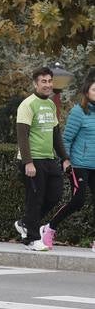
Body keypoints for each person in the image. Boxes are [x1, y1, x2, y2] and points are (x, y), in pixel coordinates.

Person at [14, 66, 70, 252]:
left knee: (54, 196)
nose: (47, 85)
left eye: (49, 81)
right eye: (43, 81)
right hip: (33, 160)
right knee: (35, 199)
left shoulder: (51, 104)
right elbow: (22, 135)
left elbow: (55, 135)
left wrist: (65, 158)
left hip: (49, 158)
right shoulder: (28, 104)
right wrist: (27, 162)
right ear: (35, 83)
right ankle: (31, 239)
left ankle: (25, 223)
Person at [46, 76, 95, 249]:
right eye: (94, 90)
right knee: (78, 200)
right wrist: (65, 160)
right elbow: (66, 139)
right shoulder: (78, 112)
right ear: (86, 92)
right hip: (79, 165)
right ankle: (49, 228)